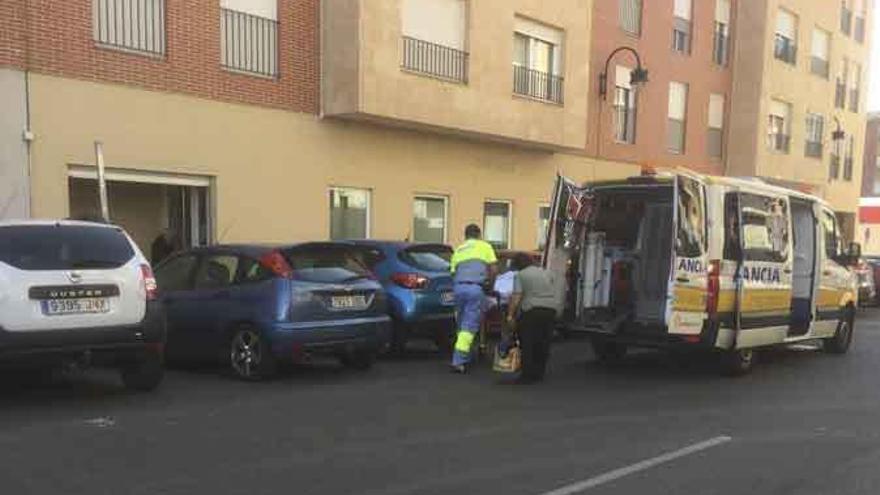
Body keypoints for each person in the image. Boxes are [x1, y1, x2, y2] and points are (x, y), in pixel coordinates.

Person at [449, 224, 498, 374]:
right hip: (475, 288)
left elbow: (453, 272)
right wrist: (490, 284)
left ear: (465, 235)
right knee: (469, 326)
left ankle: (466, 356)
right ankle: (458, 361)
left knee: (461, 324)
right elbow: (494, 268)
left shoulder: (458, 249)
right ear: (479, 234)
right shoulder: (485, 247)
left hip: (458, 289)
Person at [506, 252, 558, 384]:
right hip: (550, 309)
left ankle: (527, 374)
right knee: (543, 341)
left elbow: (516, 297)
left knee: (528, 341)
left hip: (532, 310)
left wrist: (510, 315)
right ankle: (539, 372)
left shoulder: (520, 275)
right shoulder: (546, 272)